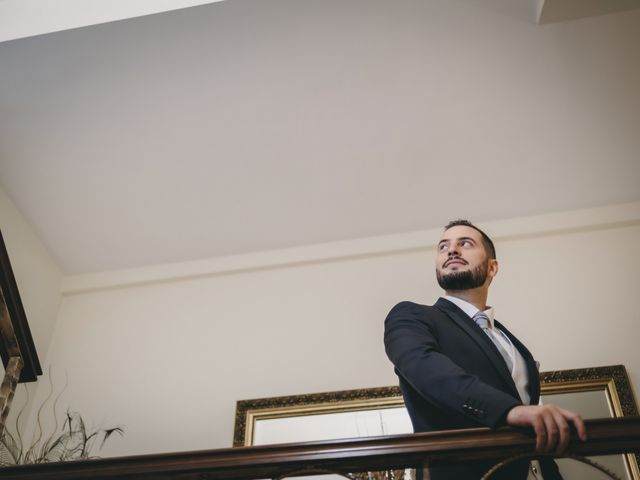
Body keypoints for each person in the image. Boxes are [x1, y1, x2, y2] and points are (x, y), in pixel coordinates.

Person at [384, 220, 587, 480]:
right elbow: (425, 369)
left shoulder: (514, 344)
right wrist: (509, 411)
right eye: (443, 246)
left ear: (492, 267)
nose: (452, 250)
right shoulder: (412, 316)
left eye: (465, 243)